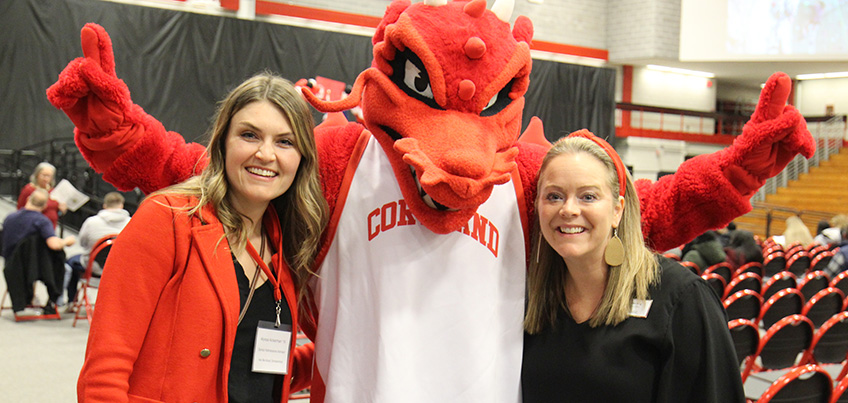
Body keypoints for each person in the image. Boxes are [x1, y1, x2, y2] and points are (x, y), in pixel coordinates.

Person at [49, 16, 813, 402]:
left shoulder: (528, 176)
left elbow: (641, 208)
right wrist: (117, 128)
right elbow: (209, 173)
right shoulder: (345, 156)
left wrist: (740, 163)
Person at [75, 73, 328, 402]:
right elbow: (104, 373)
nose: (266, 154)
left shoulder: (283, 244)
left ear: (302, 157)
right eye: (250, 135)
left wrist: (340, 348)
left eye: (285, 141)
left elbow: (251, 366)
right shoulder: (167, 218)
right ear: (223, 142)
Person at [521, 131, 745, 402]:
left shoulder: (682, 299)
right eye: (554, 196)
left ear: (617, 210)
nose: (568, 210)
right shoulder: (532, 298)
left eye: (588, 197)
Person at [2, 189, 76, 314]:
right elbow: (54, 244)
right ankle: (54, 302)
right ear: (45, 205)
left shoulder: (9, 218)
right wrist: (67, 241)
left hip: (10, 265)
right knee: (65, 267)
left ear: (28, 199)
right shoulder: (42, 221)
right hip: (32, 267)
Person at [64, 191, 131, 305]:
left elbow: (82, 243)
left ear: (104, 205)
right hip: (121, 269)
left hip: (94, 267)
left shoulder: (91, 222)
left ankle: (71, 301)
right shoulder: (131, 222)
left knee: (71, 262)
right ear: (121, 205)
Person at [16, 162, 67, 228]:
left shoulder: (53, 191)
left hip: (50, 228)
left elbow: (56, 212)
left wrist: (61, 211)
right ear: (37, 175)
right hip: (33, 227)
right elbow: (20, 209)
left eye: (49, 176)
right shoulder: (29, 189)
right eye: (44, 175)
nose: (46, 179)